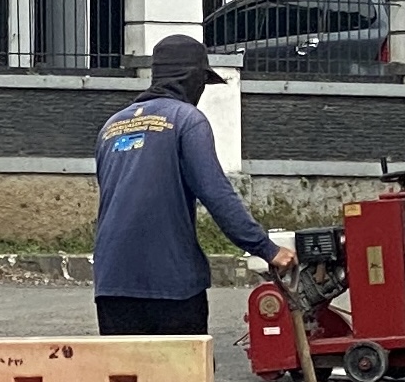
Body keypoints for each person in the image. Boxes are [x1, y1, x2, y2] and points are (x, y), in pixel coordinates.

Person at [92, 34, 291, 336]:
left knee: (126, 380)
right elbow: (216, 193)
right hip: (171, 285)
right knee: (185, 381)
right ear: (192, 78)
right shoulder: (187, 120)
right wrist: (267, 249)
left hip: (111, 284)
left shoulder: (111, 127)